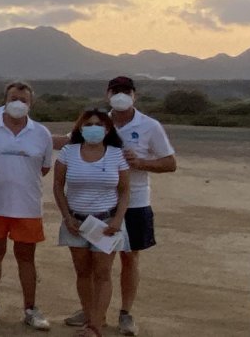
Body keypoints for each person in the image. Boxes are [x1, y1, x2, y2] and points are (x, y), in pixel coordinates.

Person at [65, 77, 175, 336]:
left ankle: (125, 312)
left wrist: (141, 163)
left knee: (129, 257)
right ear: (107, 94)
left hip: (135, 202)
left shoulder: (149, 126)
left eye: (126, 91)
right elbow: (69, 142)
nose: (121, 96)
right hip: (99, 203)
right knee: (95, 261)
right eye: (116, 91)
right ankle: (94, 312)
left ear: (135, 95)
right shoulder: (98, 122)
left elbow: (170, 163)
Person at [0, 82, 53, 330]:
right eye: (14, 98)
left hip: (27, 206)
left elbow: (44, 167)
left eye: (23, 100)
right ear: (5, 100)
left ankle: (30, 308)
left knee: (26, 257)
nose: (18, 103)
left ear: (31, 104)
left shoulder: (41, 133)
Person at [54, 109, 130, 337]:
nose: (93, 128)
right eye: (88, 124)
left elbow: (125, 190)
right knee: (83, 272)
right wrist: (67, 216)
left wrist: (118, 219)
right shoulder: (68, 152)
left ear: (107, 129)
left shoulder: (116, 154)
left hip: (105, 223)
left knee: (103, 273)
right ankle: (89, 318)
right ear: (80, 128)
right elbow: (58, 186)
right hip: (76, 223)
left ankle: (96, 326)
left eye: (99, 124)